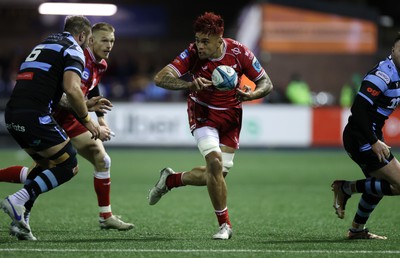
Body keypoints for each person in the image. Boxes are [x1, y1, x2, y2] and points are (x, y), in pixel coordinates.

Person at [0, 22, 134, 240]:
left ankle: (22, 219)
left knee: (66, 164)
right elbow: (70, 93)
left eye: (112, 41)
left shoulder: (57, 47)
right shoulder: (75, 54)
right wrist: (89, 122)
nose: (109, 45)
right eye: (104, 40)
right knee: (65, 166)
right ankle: (18, 203)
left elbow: (92, 89)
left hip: (21, 111)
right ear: (88, 39)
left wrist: (100, 118)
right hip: (53, 117)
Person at [148, 12, 273, 240]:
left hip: (231, 118)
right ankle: (225, 225)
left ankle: (171, 179)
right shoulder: (193, 53)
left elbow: (266, 82)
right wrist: (188, 83)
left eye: (205, 41)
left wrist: (252, 94)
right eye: (197, 39)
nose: (200, 45)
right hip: (202, 113)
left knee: (216, 175)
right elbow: (160, 78)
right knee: (214, 163)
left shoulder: (240, 52)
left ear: (220, 38)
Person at [331, 34, 400, 240]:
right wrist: (373, 141)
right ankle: (346, 188)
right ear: (393, 50)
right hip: (361, 137)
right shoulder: (382, 75)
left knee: (378, 183)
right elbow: (358, 109)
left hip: (369, 135)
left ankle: (356, 230)